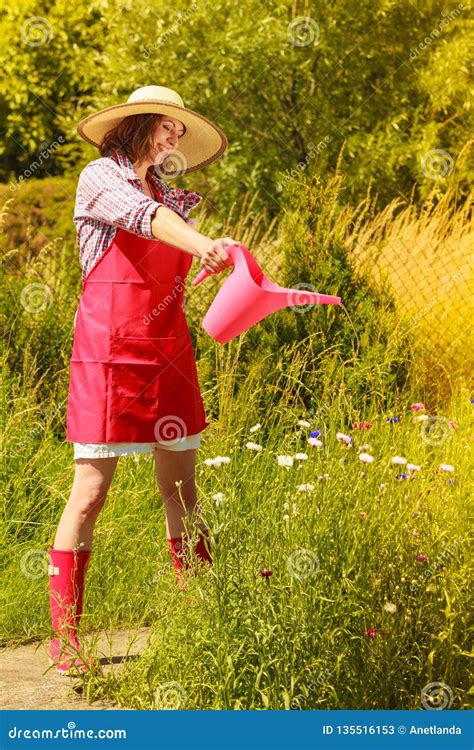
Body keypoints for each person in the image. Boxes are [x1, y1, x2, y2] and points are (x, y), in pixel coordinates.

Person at [48, 85, 238, 674]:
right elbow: (144, 221)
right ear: (139, 124)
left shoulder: (170, 195)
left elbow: (172, 244)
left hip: (167, 350)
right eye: (169, 127)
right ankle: (67, 643)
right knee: (91, 491)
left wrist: (217, 252)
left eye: (181, 132)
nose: (175, 138)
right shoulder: (100, 177)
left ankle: (196, 622)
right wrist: (201, 242)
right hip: (110, 351)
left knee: (183, 490)